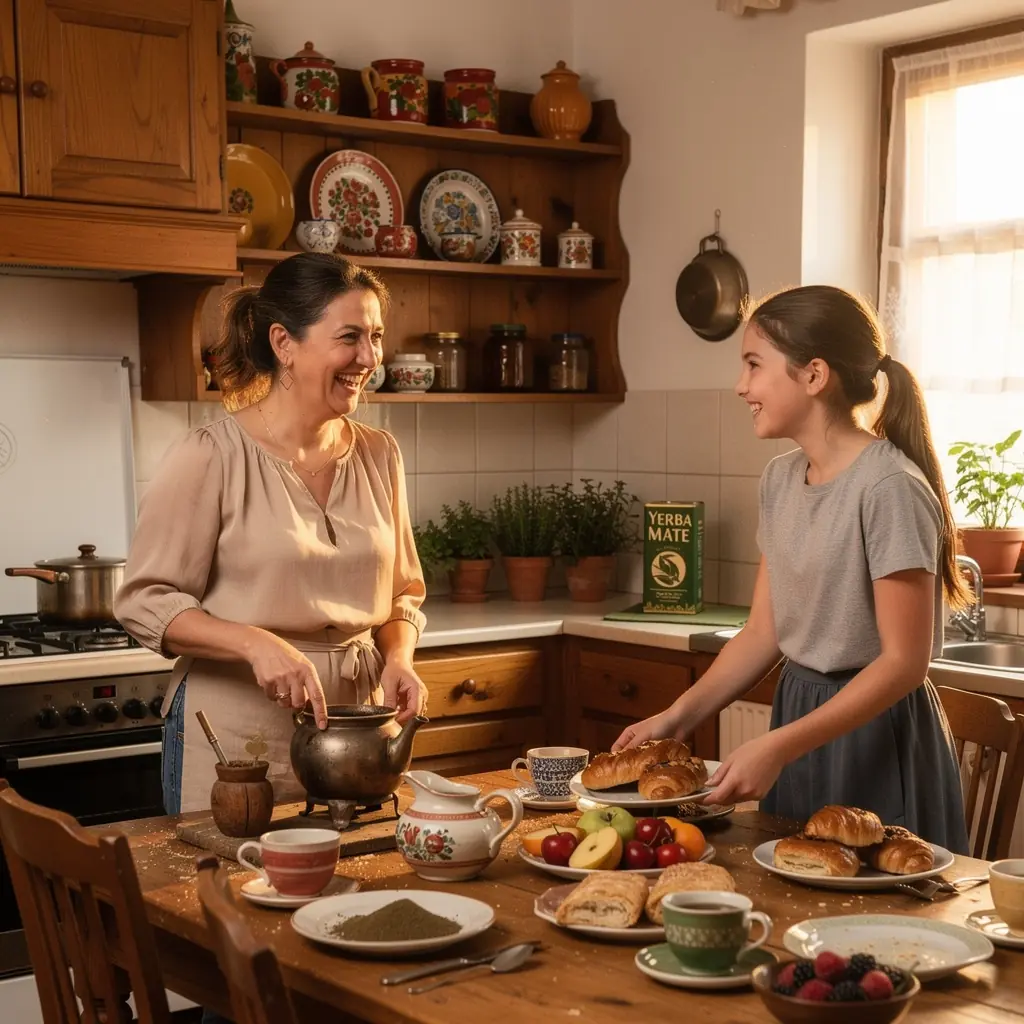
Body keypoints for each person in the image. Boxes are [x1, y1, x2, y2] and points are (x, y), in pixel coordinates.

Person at [614, 284, 970, 852]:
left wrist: (779, 745)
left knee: (879, 922)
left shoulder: (889, 488)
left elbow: (905, 662)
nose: (741, 386)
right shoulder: (779, 480)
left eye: (754, 365)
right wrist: (677, 717)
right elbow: (763, 633)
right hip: (801, 715)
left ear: (814, 375)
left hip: (874, 730)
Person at [115, 252, 428, 817]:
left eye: (376, 337)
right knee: (222, 895)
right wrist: (255, 643)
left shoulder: (380, 454)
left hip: (357, 734)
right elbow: (146, 602)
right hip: (237, 736)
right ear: (284, 342)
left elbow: (403, 592)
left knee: (353, 894)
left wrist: (399, 658)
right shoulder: (208, 455)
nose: (370, 358)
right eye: (350, 337)